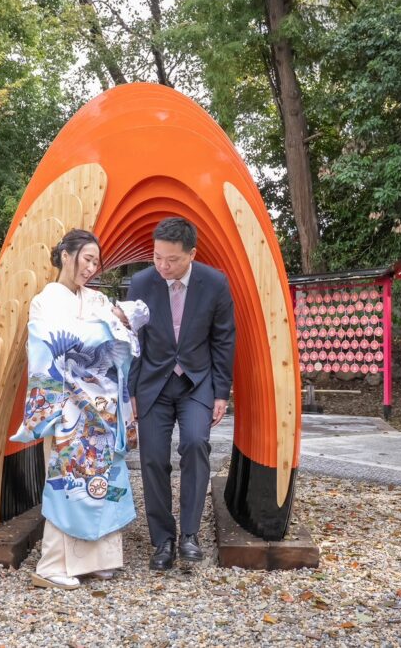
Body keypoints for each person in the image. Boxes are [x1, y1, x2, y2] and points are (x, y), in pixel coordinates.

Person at [10, 229, 147, 590]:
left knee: (107, 479)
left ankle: (101, 559)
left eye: (96, 263)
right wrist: (102, 334)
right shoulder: (46, 301)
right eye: (87, 259)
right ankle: (54, 564)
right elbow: (48, 351)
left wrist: (112, 332)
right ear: (66, 255)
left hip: (103, 408)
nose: (92, 268)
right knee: (68, 484)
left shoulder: (99, 301)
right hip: (70, 407)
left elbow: (124, 341)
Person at [127, 217, 236, 570]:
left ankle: (190, 534)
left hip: (197, 382)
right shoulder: (143, 282)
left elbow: (223, 339)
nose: (162, 266)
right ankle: (163, 539)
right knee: (153, 458)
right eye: (157, 257)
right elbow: (132, 342)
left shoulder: (215, 283)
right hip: (153, 383)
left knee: (194, 444)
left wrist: (221, 392)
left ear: (191, 254)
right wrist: (130, 392)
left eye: (171, 260)